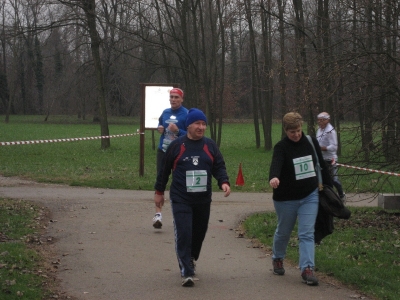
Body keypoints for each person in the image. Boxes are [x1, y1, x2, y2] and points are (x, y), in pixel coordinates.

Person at [153, 108, 231, 287]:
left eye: (203, 124)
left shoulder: (210, 145)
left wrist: (223, 182)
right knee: (184, 232)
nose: (201, 127)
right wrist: (159, 192)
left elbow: (219, 166)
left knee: (199, 233)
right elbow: (164, 171)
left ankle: (191, 257)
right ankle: (186, 269)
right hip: (181, 197)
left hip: (203, 199)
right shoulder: (177, 146)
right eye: (197, 123)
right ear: (188, 125)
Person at [268, 112, 332, 286]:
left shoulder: (311, 142)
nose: (296, 135)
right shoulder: (281, 147)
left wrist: (331, 186)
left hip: (309, 195)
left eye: (297, 130)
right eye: (291, 132)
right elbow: (276, 164)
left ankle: (307, 269)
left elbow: (321, 164)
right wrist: (274, 177)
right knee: (284, 231)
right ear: (285, 131)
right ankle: (278, 258)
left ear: (301, 127)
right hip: (285, 198)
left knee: (306, 233)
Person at [153, 88, 188, 229]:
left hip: (178, 152)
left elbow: (190, 134)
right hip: (163, 150)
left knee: (178, 183)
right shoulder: (165, 112)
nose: (173, 99)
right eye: (171, 97)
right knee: (160, 180)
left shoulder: (186, 114)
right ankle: (158, 215)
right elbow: (160, 125)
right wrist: (159, 129)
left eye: (176, 97)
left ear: (181, 99)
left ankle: (179, 215)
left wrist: (178, 131)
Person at [316, 112, 345, 203]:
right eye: (318, 120)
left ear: (327, 120)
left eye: (322, 120)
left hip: (331, 159)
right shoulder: (319, 130)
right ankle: (326, 197)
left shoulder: (330, 131)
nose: (319, 122)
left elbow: (334, 147)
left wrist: (322, 148)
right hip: (321, 159)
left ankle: (341, 195)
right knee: (322, 179)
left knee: (334, 179)